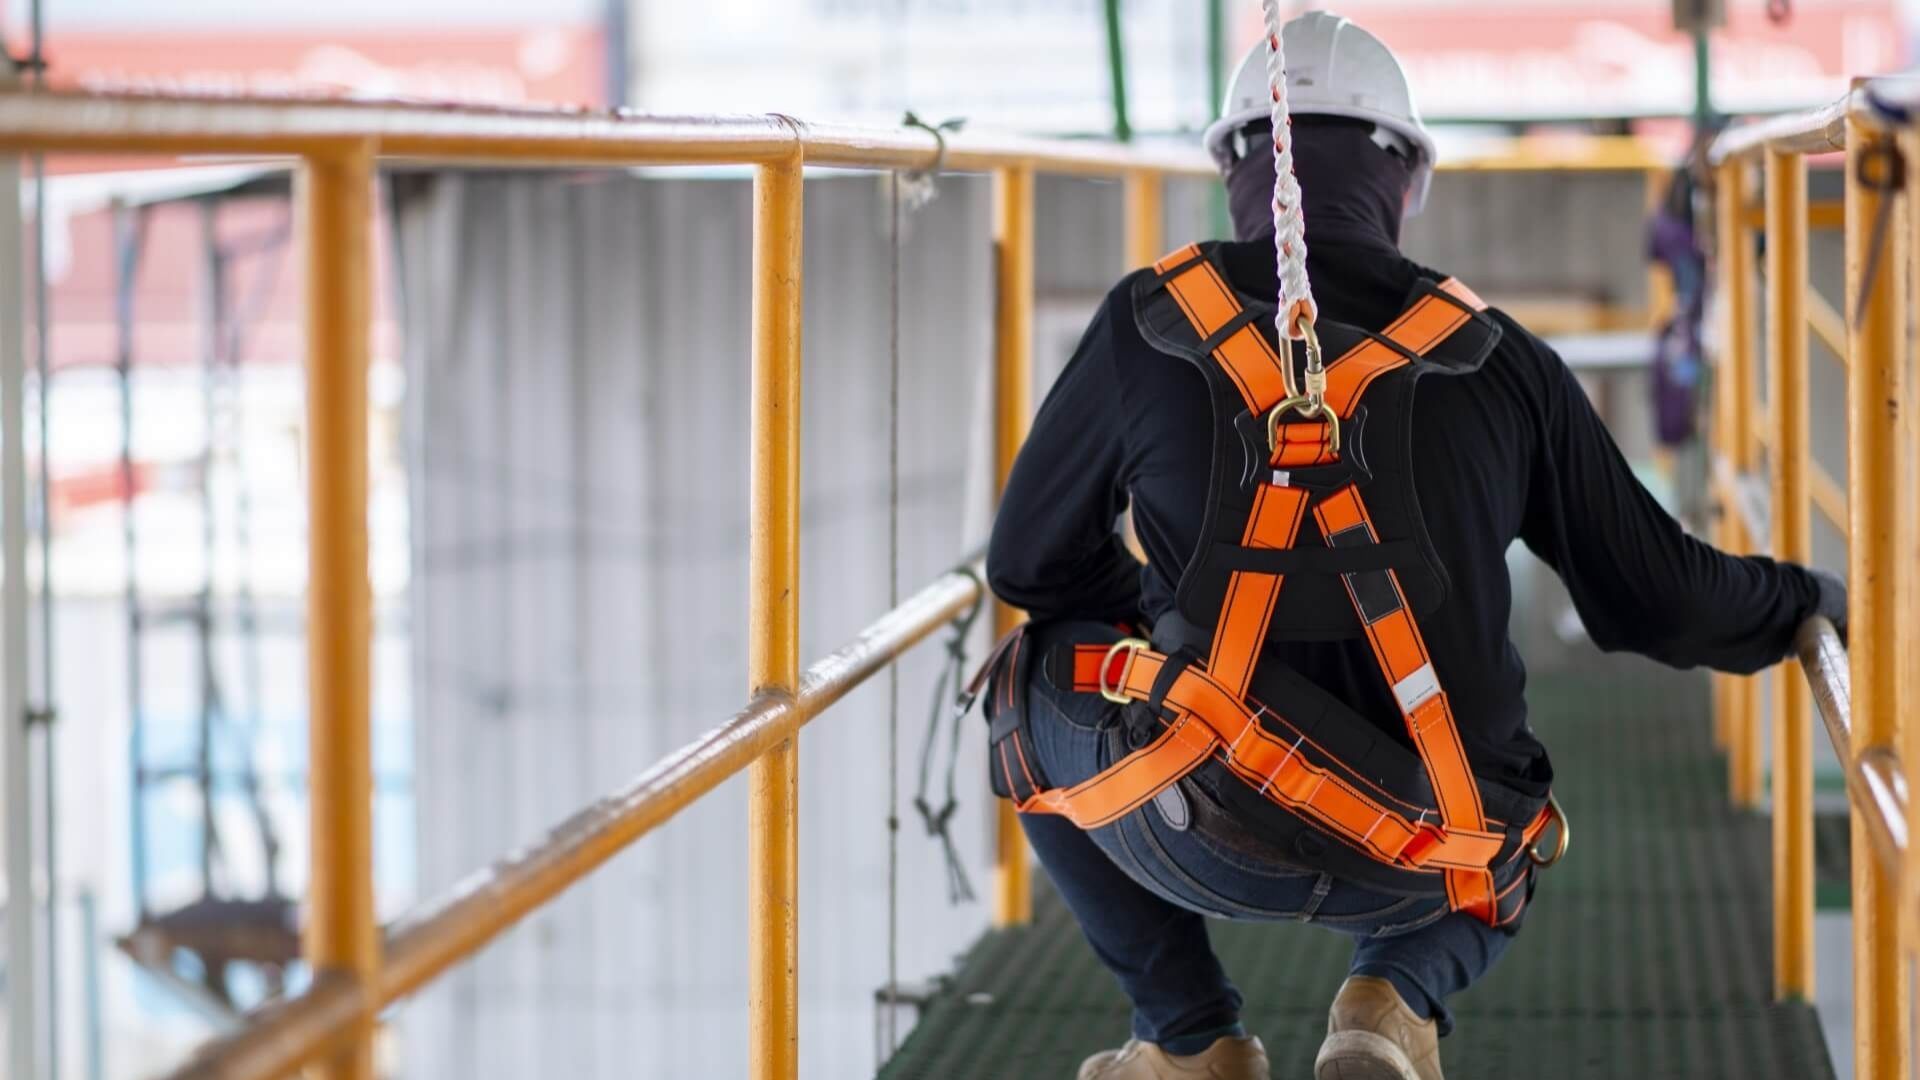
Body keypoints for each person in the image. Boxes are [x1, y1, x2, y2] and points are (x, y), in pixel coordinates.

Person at [980, 12, 1847, 1080]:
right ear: (1408, 180)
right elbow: (1661, 600)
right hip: (1439, 853)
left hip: (1194, 816)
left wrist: (1154, 627)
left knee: (1022, 685)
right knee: (1511, 805)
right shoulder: (1494, 354)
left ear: (1237, 168)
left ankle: (1191, 1039)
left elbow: (1028, 566)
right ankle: (1395, 996)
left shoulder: (1150, 318)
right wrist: (1807, 595)